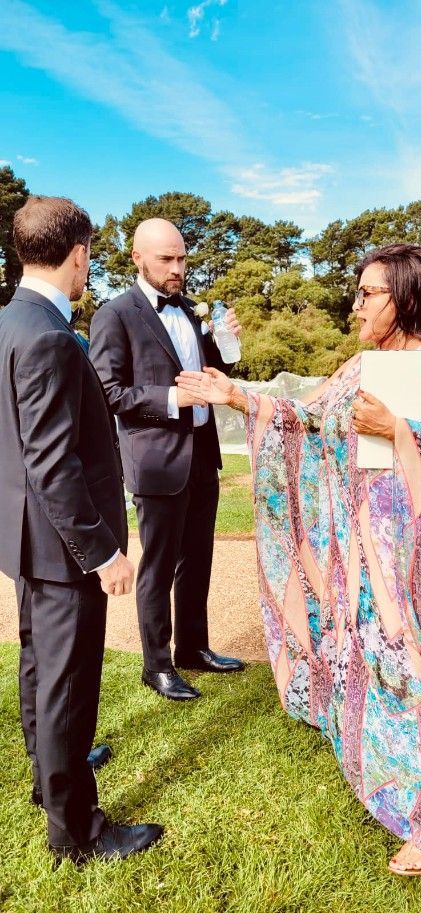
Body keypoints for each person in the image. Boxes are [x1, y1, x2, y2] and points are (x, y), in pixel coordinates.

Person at [176, 244, 421, 876]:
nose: (356, 306)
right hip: (356, 550)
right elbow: (308, 419)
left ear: (403, 296)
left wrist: (399, 427)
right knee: (374, 660)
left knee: (407, 661)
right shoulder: (360, 366)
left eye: (368, 294)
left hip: (412, 559)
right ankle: (381, 759)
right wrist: (237, 397)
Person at [0, 196, 163, 864]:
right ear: (80, 253)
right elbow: (52, 462)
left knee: (40, 665)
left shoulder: (9, 320)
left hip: (24, 537)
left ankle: (52, 771)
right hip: (64, 546)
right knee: (66, 682)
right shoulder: (47, 335)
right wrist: (103, 553)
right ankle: (77, 830)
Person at [89, 218, 245, 703]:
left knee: (198, 558)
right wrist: (173, 397)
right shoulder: (114, 315)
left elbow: (211, 370)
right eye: (166, 260)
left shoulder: (190, 311)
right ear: (137, 258)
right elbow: (108, 391)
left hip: (203, 454)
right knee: (158, 567)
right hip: (157, 463)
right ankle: (156, 665)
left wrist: (227, 344)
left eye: (181, 258)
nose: (178, 269)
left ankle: (193, 648)